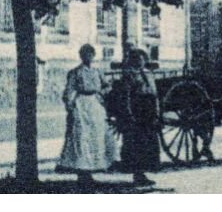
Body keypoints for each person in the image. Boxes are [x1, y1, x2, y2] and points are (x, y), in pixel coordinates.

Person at [56, 44, 109, 188]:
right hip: (81, 105)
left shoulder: (97, 71)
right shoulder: (75, 72)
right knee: (81, 137)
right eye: (85, 54)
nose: (88, 57)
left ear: (94, 56)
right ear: (81, 56)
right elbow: (68, 91)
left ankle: (90, 171)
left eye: (90, 54)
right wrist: (70, 106)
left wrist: (103, 94)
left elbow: (106, 85)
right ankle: (82, 173)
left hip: (95, 105)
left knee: (94, 137)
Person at [111, 46, 161, 187]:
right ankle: (137, 174)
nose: (140, 62)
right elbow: (126, 96)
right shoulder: (130, 75)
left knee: (149, 142)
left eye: (143, 59)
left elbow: (155, 95)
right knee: (136, 143)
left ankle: (143, 173)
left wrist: (157, 112)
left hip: (149, 112)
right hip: (137, 111)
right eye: (137, 59)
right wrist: (129, 113)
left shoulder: (149, 74)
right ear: (133, 61)